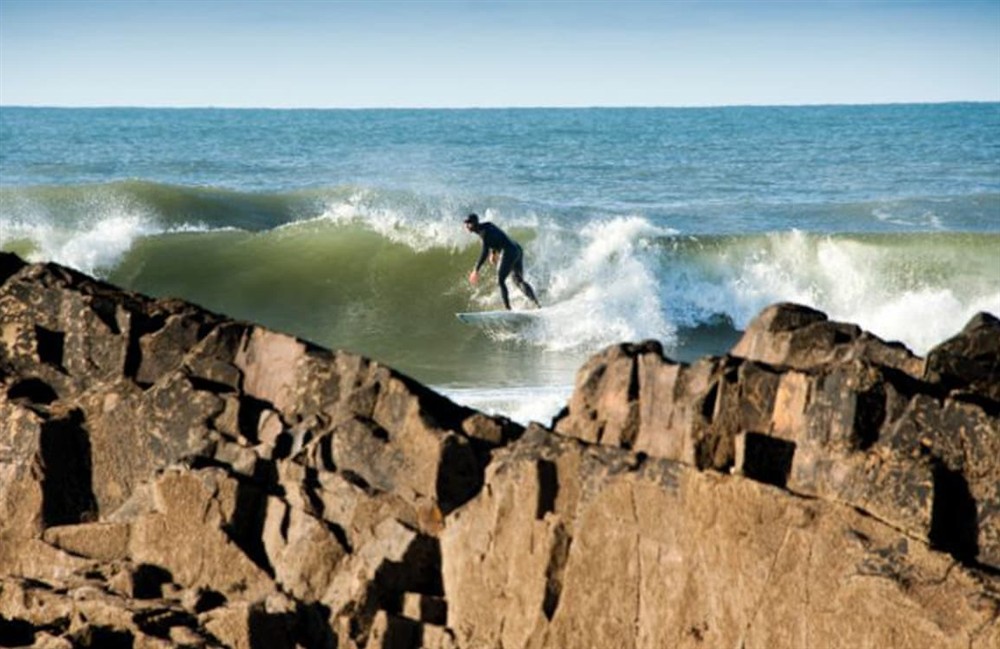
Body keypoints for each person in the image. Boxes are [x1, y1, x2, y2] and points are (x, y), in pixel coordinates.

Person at [464, 213, 541, 310]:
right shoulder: (487, 225)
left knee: (500, 280)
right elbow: (498, 236)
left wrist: (476, 270)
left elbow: (484, 252)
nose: (466, 226)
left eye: (468, 223)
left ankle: (508, 309)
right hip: (516, 249)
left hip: (508, 251)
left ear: (474, 223)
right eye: (465, 223)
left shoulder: (483, 233)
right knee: (518, 281)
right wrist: (494, 252)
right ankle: (537, 304)